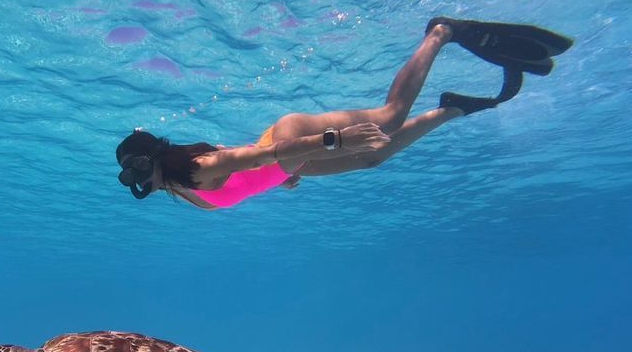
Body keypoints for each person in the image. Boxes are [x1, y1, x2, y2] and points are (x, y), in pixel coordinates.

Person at [115, 17, 572, 209]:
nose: (135, 179)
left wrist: (334, 141)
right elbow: (252, 163)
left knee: (389, 119)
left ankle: (441, 32)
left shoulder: (198, 169)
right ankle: (451, 108)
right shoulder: (181, 185)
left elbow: (256, 157)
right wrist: (286, 174)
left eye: (134, 167)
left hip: (291, 142)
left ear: (152, 156)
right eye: (128, 175)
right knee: (377, 156)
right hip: (290, 163)